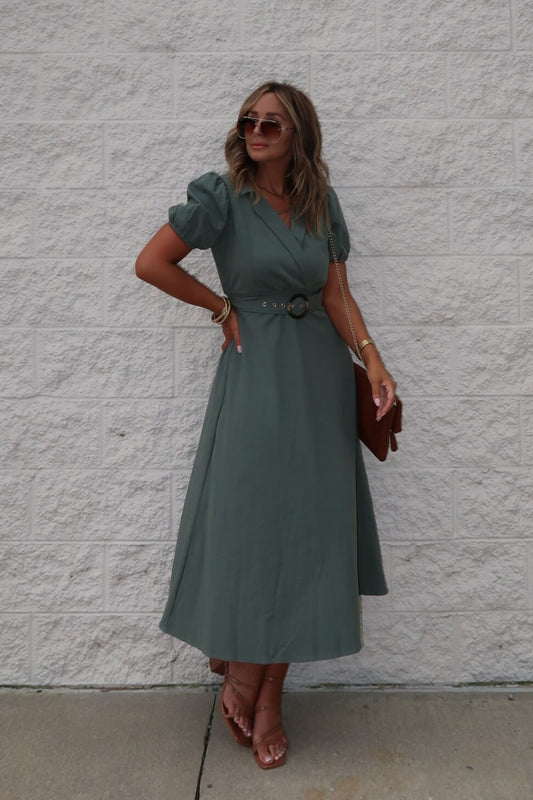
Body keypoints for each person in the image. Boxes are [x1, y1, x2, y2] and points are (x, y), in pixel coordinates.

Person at [135, 81, 396, 770]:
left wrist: (371, 361)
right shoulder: (221, 197)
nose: (256, 130)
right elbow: (150, 263)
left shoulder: (318, 202)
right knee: (254, 528)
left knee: (309, 531)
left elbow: (335, 291)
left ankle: (269, 694)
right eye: (249, 120)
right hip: (255, 379)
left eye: (272, 123)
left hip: (315, 375)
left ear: (297, 133)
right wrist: (221, 309)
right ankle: (242, 671)